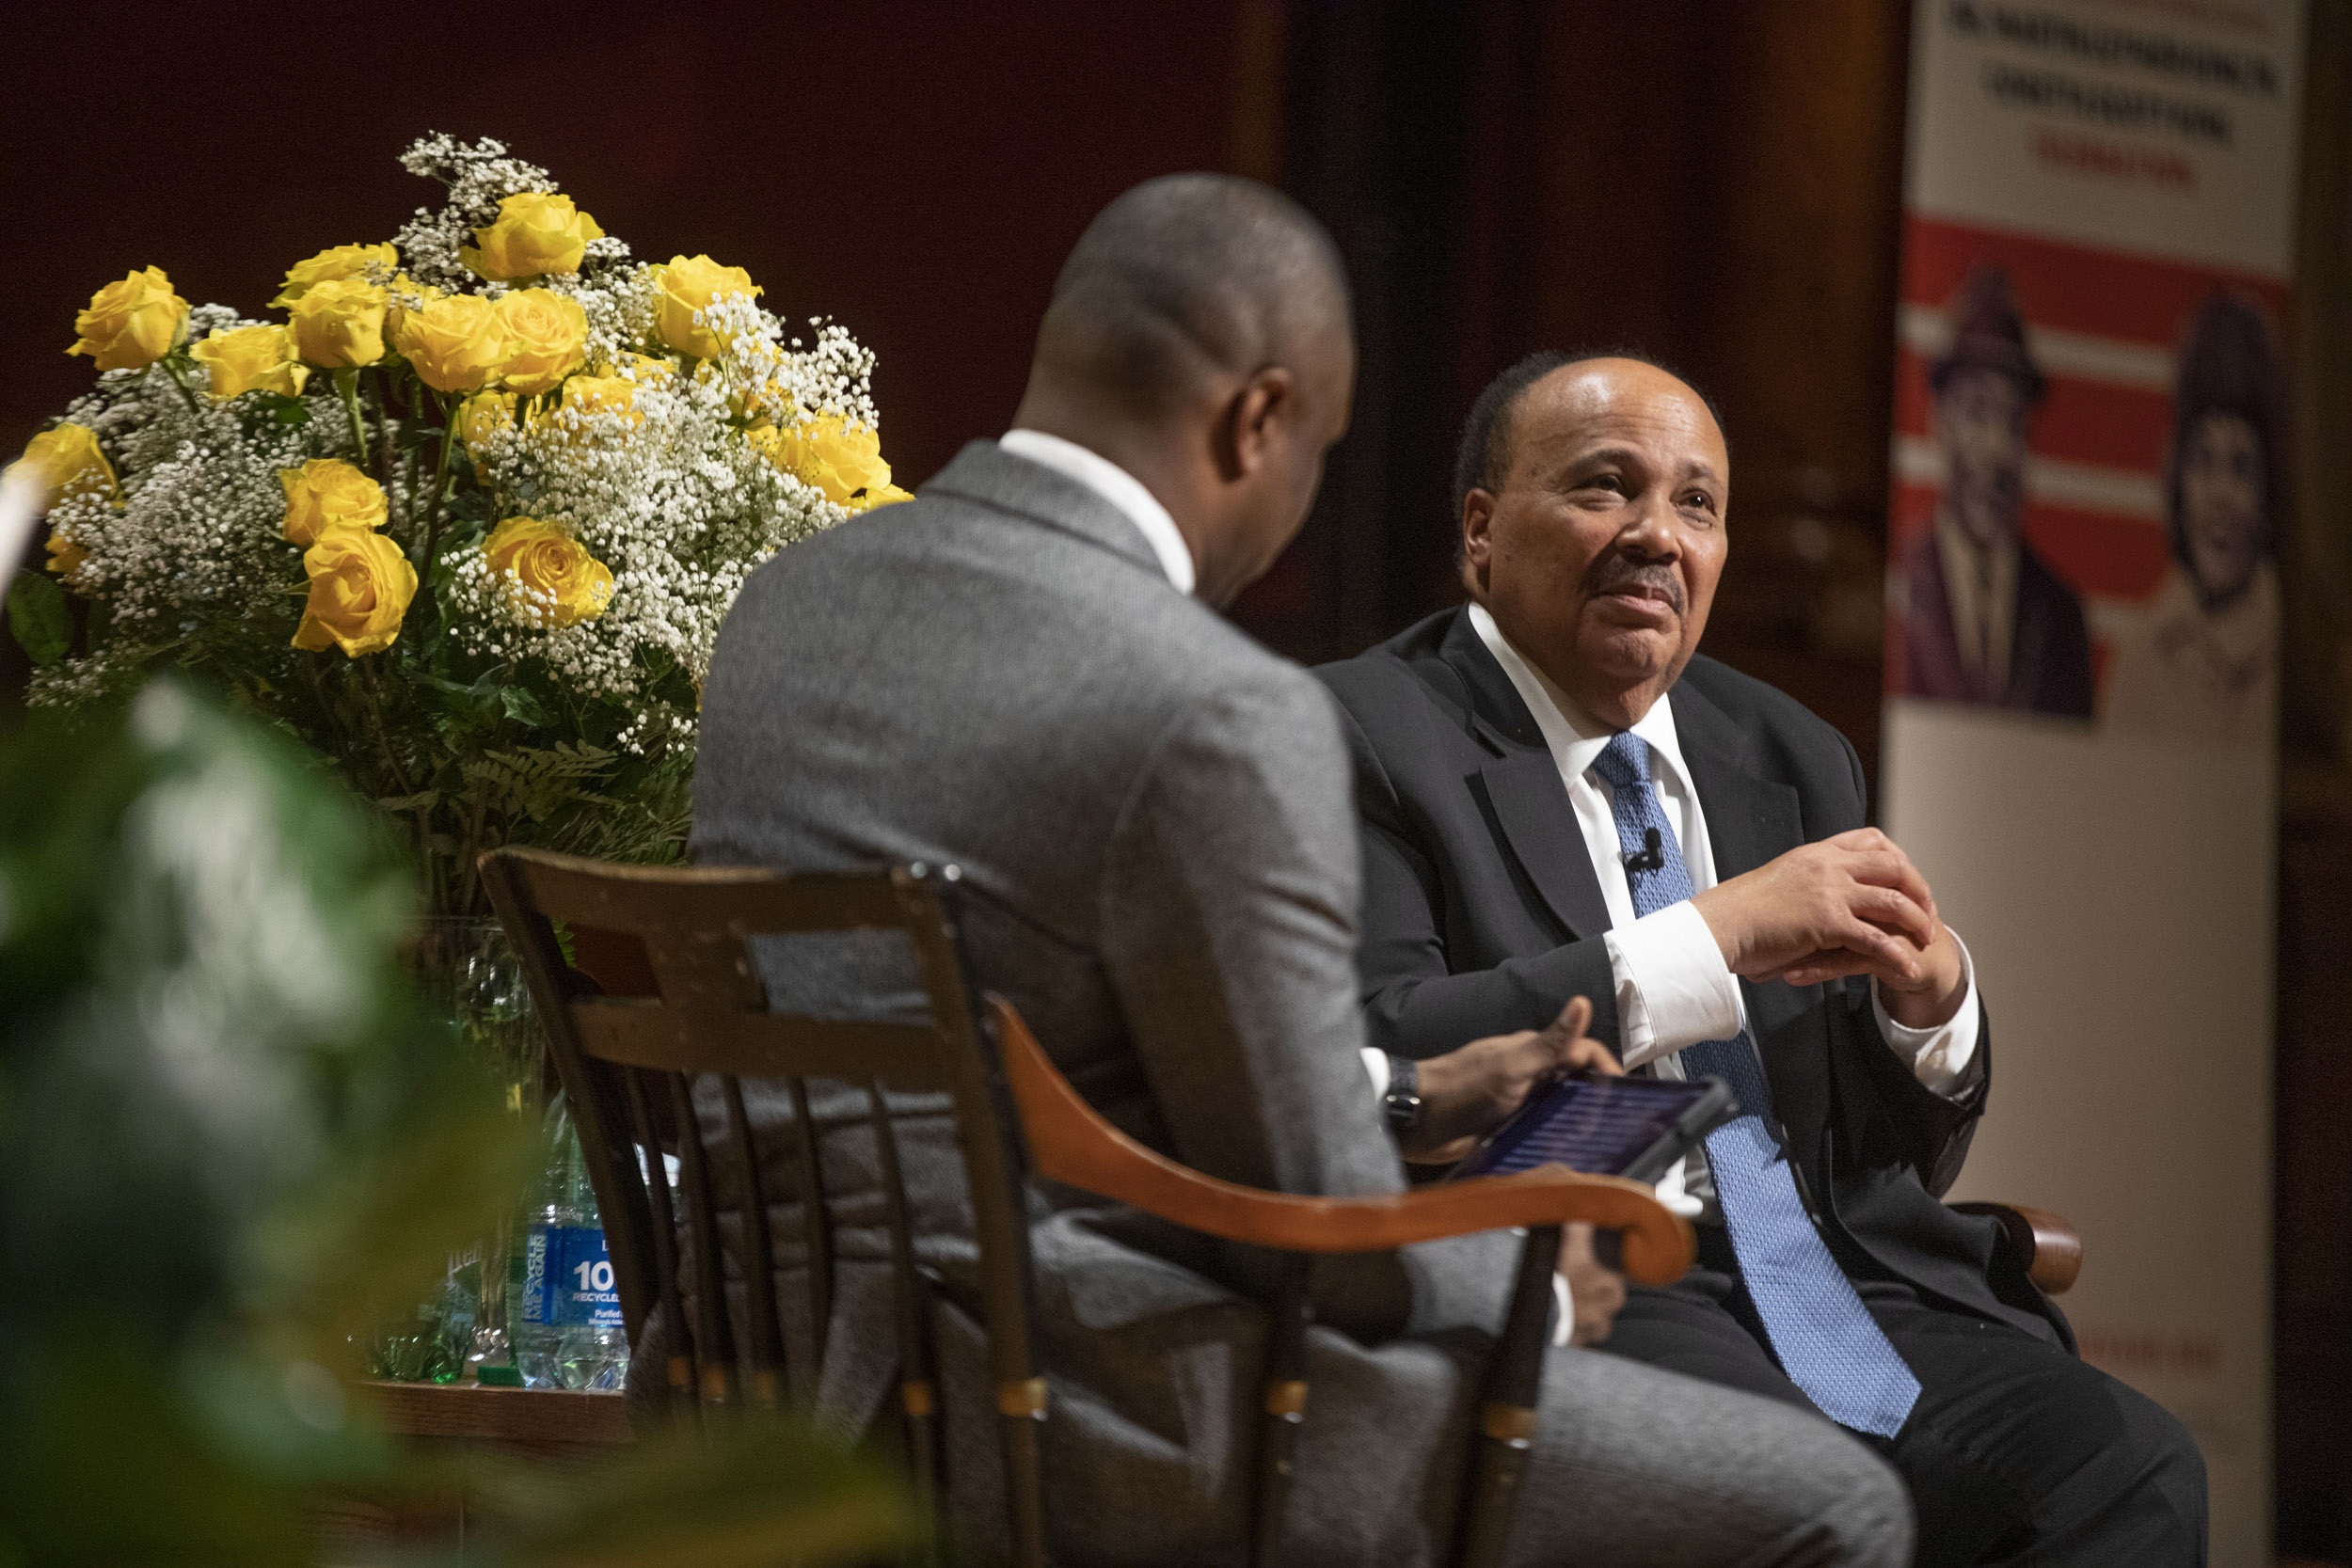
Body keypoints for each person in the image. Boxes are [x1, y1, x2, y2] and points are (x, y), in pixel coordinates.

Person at [689, 177, 1913, 1565]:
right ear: (1257, 419)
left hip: (771, 1356)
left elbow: (1033, 1048)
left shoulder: (790, 602)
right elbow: (1321, 1228)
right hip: (1079, 1404)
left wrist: (1403, 1085)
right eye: (1316, 452)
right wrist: (1534, 1281)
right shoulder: (1211, 702)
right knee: (1838, 1502)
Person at [1313, 350, 2206, 1566]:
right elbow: (1387, 1044)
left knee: (2130, 1463)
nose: (1655, 535)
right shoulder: (1364, 730)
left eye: (1696, 503)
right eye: (1602, 487)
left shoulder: (1788, 750)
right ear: (1481, 529)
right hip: (1595, 1280)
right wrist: (1717, 931)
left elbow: (1886, 1160)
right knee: (1814, 1492)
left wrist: (1927, 1012)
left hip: (1840, 1286)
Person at [1894, 263, 2095, 717]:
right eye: (1977, 412)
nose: (1997, 449)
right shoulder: (1900, 585)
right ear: (1938, 420)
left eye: (2013, 420)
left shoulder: (2062, 616)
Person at [2104, 291, 2286, 746]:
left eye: (2241, 467)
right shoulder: (2138, 659)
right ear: (2177, 480)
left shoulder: (2304, 660)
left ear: (2268, 493)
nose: (2219, 496)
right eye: (2202, 461)